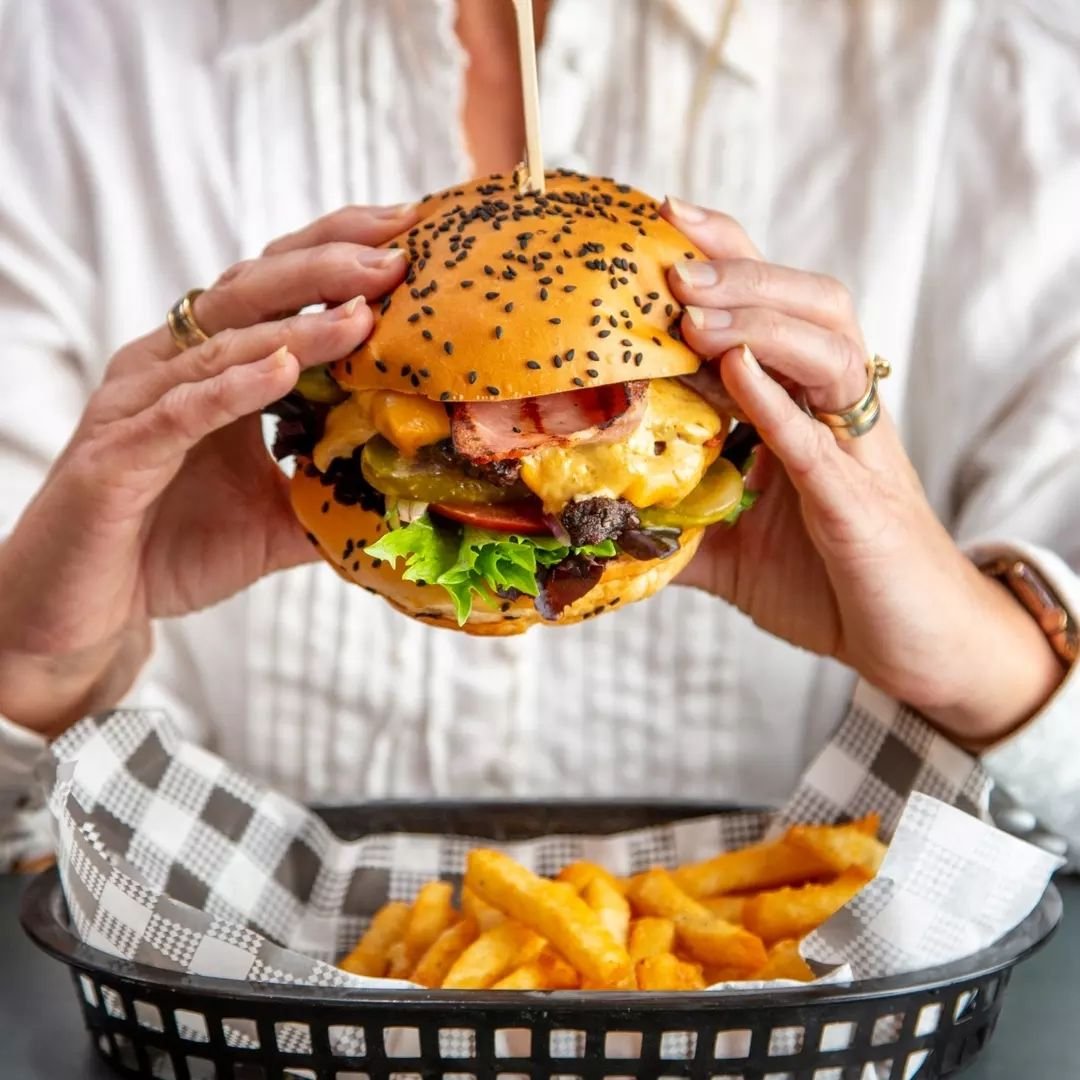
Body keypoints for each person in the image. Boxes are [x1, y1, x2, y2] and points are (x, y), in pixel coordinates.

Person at [0, 0, 1077, 871]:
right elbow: (48, 863)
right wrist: (41, 667)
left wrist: (971, 656)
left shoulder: (1004, 85)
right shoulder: (55, 72)